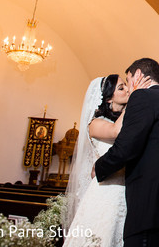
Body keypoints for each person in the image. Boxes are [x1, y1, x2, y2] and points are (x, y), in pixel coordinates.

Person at [94, 58, 159, 246]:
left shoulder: (142, 97)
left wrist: (98, 167)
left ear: (137, 75)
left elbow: (126, 147)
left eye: (128, 79)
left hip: (149, 210)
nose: (129, 88)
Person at [64, 73, 150, 246]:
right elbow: (115, 132)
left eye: (126, 85)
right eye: (121, 87)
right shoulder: (94, 123)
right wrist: (135, 97)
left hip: (126, 192)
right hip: (105, 192)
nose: (127, 89)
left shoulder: (124, 119)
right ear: (109, 99)